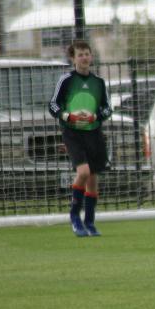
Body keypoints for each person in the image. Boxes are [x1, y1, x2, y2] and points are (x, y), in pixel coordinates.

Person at [49, 40, 113, 237]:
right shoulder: (66, 80)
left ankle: (90, 222)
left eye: (87, 53)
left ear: (91, 56)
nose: (84, 57)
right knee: (83, 171)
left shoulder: (98, 83)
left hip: (93, 132)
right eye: (80, 55)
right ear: (73, 58)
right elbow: (53, 105)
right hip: (73, 133)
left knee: (93, 178)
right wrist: (68, 116)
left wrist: (95, 116)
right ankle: (75, 217)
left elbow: (107, 108)